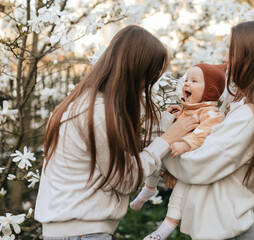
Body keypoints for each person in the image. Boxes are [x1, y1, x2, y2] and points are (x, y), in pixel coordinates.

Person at [34, 25, 199, 240]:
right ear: (137, 71)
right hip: (82, 232)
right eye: (148, 77)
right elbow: (125, 179)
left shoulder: (83, 104)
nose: (147, 85)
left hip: (75, 230)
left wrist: (167, 124)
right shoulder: (99, 114)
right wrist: (167, 140)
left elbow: (118, 157)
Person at [148, 19, 254, 240]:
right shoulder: (236, 102)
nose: (225, 58)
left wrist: (163, 142)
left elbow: (196, 165)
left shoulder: (248, 117)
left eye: (231, 50)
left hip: (226, 231)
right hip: (217, 228)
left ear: (250, 59)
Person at [130, 63, 227, 240]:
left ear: (210, 91)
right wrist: (169, 117)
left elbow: (204, 133)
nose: (186, 84)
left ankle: (165, 227)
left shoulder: (211, 113)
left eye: (194, 81)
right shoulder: (186, 110)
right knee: (155, 154)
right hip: (173, 159)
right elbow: (164, 134)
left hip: (188, 165)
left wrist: (186, 144)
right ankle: (149, 188)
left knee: (180, 191)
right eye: (187, 79)